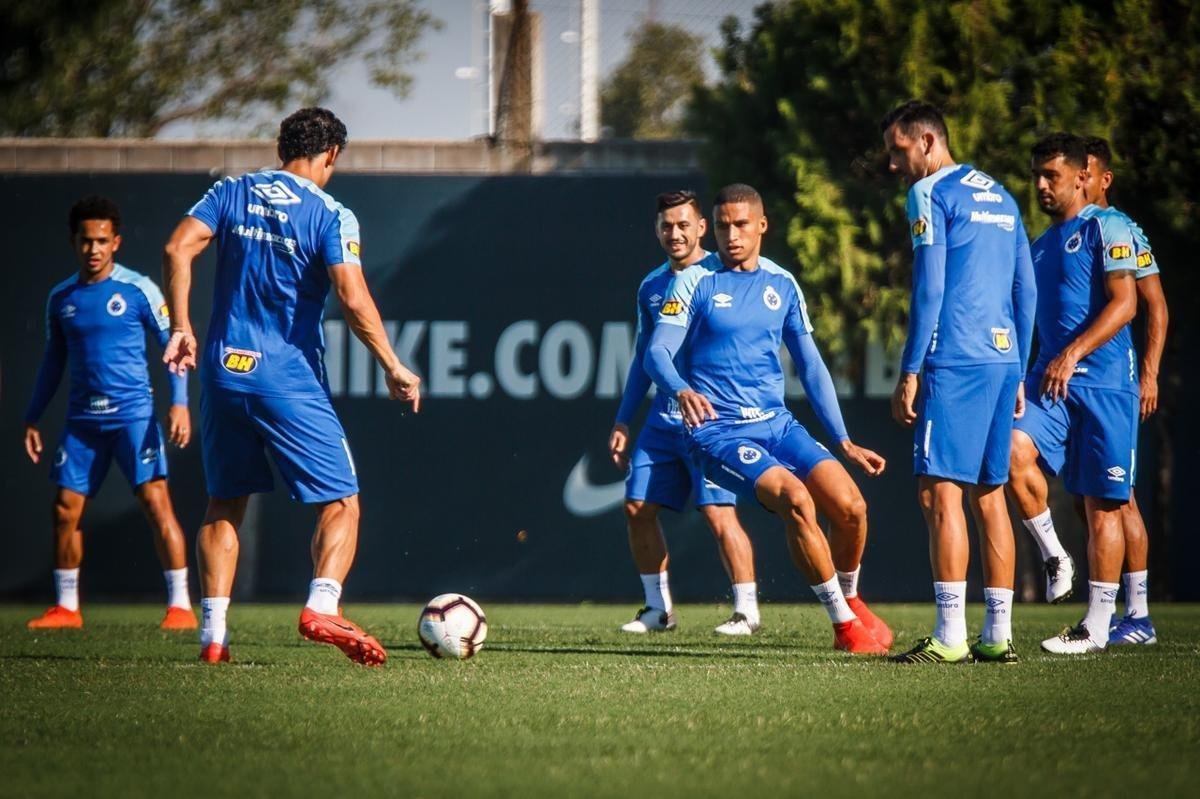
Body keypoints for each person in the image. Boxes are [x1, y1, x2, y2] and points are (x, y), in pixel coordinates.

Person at [161, 107, 421, 665]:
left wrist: (181, 326)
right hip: (287, 375)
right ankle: (323, 604)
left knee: (223, 504)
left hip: (224, 370)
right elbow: (352, 298)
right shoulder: (332, 213)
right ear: (331, 155)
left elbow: (177, 247)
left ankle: (213, 639)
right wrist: (392, 364)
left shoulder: (231, 191)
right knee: (342, 503)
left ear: (282, 147)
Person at [645, 183, 891, 655]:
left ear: (761, 226)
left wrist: (843, 439)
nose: (730, 235)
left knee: (852, 508)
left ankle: (852, 597)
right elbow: (657, 352)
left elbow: (813, 365)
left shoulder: (782, 283)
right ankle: (843, 625)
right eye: (721, 226)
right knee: (797, 500)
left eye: (740, 225)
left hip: (778, 424)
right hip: (717, 431)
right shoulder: (694, 281)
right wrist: (681, 388)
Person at [879, 100, 1036, 664]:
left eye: (898, 151)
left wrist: (912, 369)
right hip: (1000, 359)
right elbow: (1027, 288)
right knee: (991, 494)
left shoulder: (929, 193)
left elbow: (930, 289)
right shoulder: (1002, 195)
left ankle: (949, 637)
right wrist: (1017, 365)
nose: (894, 164)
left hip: (956, 358)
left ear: (926, 142)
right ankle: (997, 638)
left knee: (939, 491)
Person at [1010, 135, 1166, 646]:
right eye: (1036, 175)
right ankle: (1056, 554)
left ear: (1083, 177)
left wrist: (1145, 372)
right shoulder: (1039, 243)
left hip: (1102, 384)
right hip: (1048, 383)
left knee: (1107, 504)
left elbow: (1130, 305)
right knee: (1010, 450)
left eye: (1050, 175)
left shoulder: (1112, 226)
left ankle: (1105, 624)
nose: (1040, 185)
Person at [24, 195, 196, 631]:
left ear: (116, 242)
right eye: (86, 241)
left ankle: (180, 606)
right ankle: (67, 607)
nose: (94, 249)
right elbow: (52, 362)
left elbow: (173, 347)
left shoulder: (138, 289)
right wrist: (32, 416)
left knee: (157, 504)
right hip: (82, 424)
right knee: (65, 509)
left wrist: (179, 402)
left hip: (133, 419)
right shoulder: (61, 298)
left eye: (102, 240)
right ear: (74, 242)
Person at [610, 190, 760, 636]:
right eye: (665, 226)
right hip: (663, 419)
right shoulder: (651, 285)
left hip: (714, 418)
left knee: (718, 513)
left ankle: (747, 610)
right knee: (637, 506)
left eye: (683, 225)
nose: (674, 234)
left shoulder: (724, 274)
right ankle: (658, 610)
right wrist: (622, 418)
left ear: (700, 227)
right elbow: (644, 357)